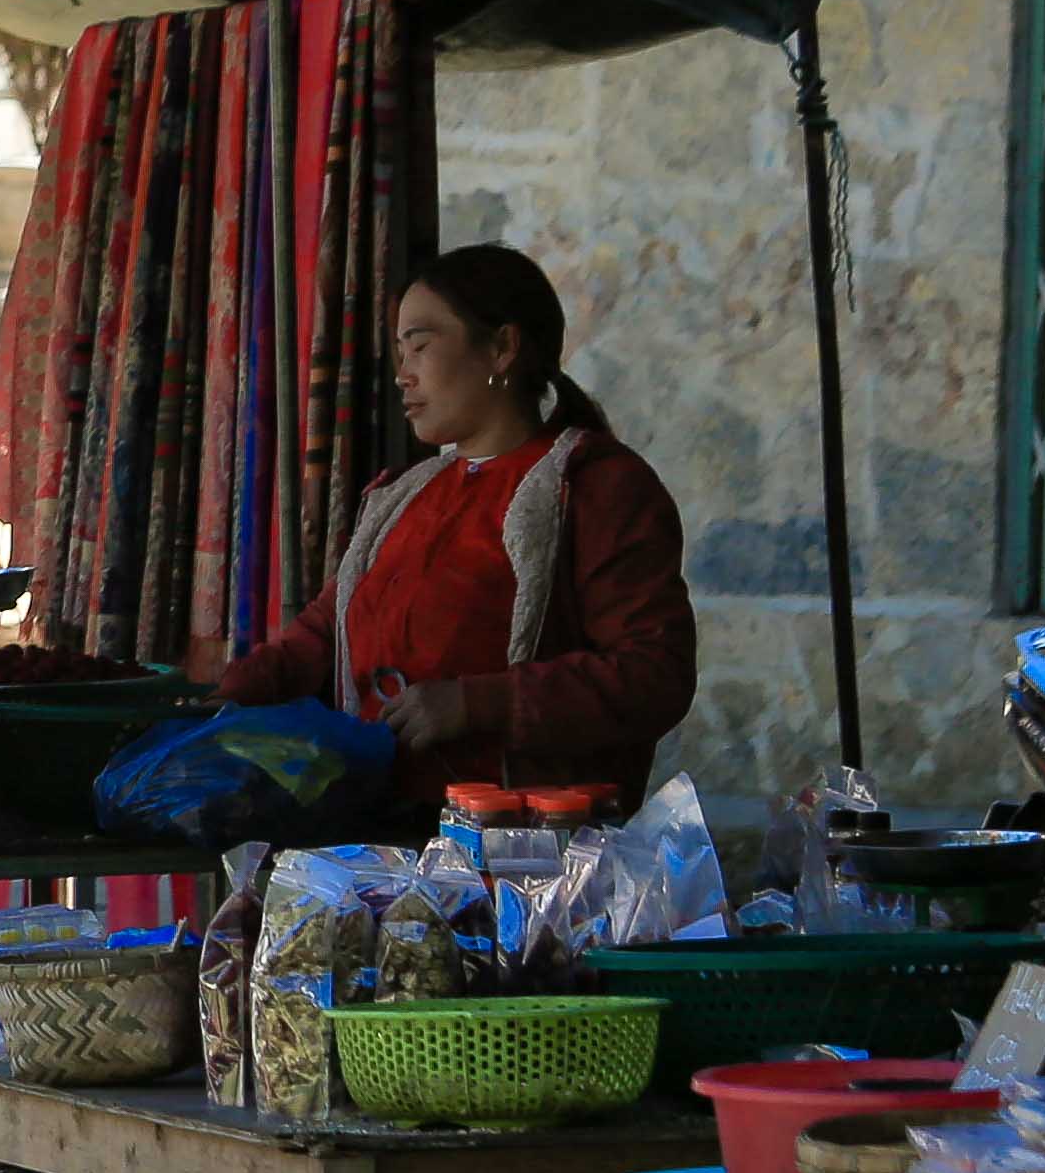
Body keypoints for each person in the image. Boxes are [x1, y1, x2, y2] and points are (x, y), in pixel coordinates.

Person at [217, 243, 696, 797]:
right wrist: (221, 700)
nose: (403, 375)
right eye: (400, 350)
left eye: (420, 346)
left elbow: (653, 674)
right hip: (386, 836)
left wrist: (477, 703)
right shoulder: (403, 496)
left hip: (527, 849)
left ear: (501, 348)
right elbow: (326, 632)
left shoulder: (592, 485)